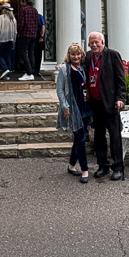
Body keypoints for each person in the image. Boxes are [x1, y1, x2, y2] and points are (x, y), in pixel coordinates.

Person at [84, 31, 127, 181]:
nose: (94, 45)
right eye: (91, 43)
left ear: (103, 42)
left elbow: (121, 80)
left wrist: (120, 98)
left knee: (115, 136)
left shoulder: (113, 55)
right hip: (95, 104)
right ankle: (103, 166)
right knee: (98, 137)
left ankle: (118, 168)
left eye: (97, 42)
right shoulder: (88, 57)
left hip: (110, 103)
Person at [56, 42, 91, 183]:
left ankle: (71, 166)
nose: (76, 57)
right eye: (73, 54)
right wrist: (65, 107)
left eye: (78, 54)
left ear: (82, 55)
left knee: (79, 137)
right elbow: (59, 90)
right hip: (73, 108)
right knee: (80, 138)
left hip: (86, 107)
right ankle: (85, 169)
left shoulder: (84, 67)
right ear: (69, 55)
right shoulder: (64, 69)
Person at [16, 0, 39, 81]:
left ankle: (29, 72)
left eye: (20, 1)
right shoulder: (34, 10)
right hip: (33, 35)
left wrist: (19, 32)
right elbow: (36, 22)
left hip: (25, 34)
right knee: (31, 53)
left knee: (23, 52)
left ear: (23, 1)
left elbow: (21, 23)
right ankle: (31, 71)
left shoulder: (23, 9)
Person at [0, 2, 17, 79]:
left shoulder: (1, 17)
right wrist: (13, 41)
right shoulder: (13, 19)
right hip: (10, 39)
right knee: (8, 56)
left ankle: (5, 69)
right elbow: (15, 31)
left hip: (1, 39)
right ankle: (8, 75)